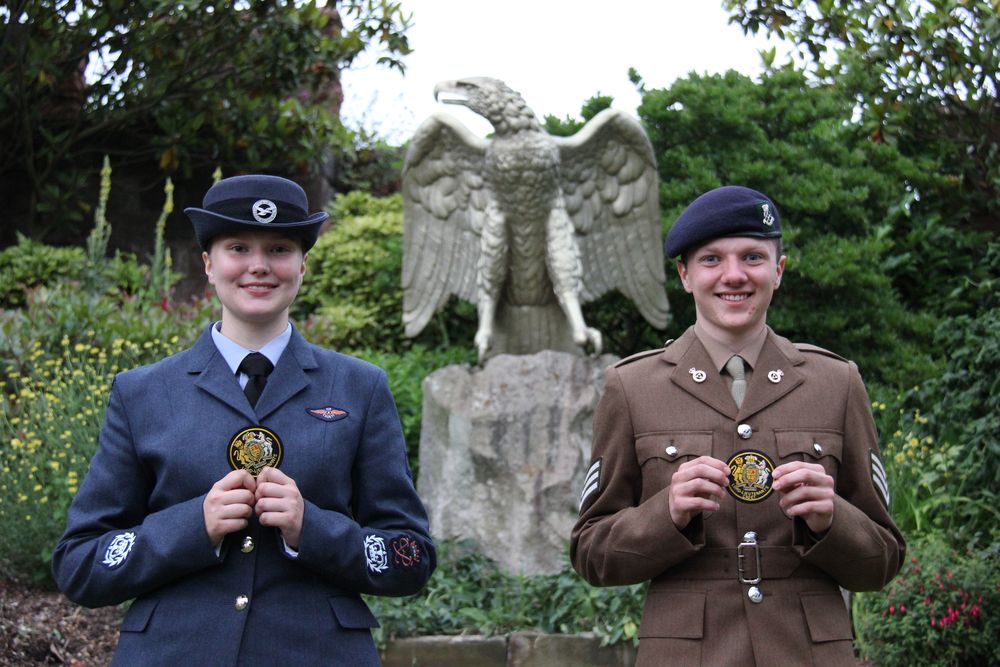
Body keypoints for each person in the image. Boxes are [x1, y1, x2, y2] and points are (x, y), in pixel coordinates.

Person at [53, 174, 435, 666]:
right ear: (209, 264)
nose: (259, 266)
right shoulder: (142, 393)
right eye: (238, 247)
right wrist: (194, 526)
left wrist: (312, 529)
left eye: (279, 249)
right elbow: (80, 564)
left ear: (303, 265)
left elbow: (410, 557)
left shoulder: (359, 388)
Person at [570, 185, 904, 666]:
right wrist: (666, 514)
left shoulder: (837, 382)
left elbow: (884, 559)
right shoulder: (632, 387)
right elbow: (591, 554)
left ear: (778, 271)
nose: (734, 275)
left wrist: (833, 519)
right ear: (685, 275)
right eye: (711, 260)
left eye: (752, 257)